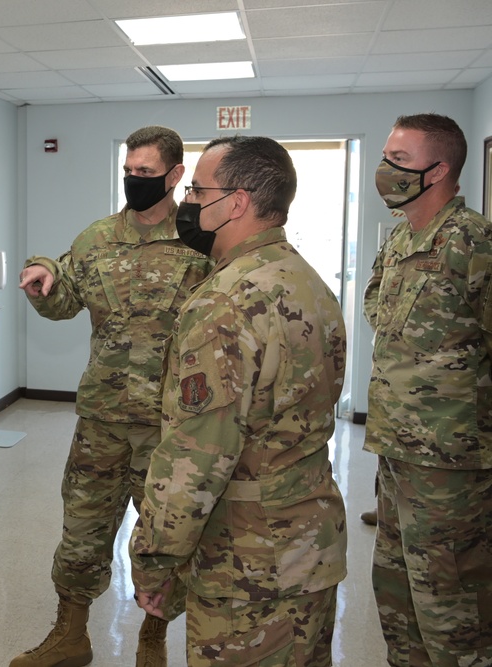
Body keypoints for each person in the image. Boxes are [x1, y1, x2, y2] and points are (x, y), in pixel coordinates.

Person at [130, 135, 348, 666]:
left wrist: (155, 560)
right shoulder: (308, 282)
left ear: (237, 203)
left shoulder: (226, 301)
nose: (186, 204)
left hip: (248, 564)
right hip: (310, 543)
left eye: (198, 192)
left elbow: (197, 457)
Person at [12, 125, 214, 667]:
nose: (134, 181)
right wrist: (43, 278)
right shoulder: (98, 238)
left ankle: (152, 639)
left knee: (163, 538)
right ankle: (70, 636)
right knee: (81, 529)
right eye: (129, 172)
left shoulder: (202, 241)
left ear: (174, 176)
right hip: (102, 417)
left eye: (146, 174)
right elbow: (64, 298)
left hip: (171, 425)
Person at [364, 113, 492, 666]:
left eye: (401, 160)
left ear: (439, 170)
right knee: (396, 592)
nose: (386, 169)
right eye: (387, 156)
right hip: (396, 450)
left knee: (449, 604)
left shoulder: (472, 241)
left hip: (450, 463)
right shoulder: (401, 238)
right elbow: (381, 313)